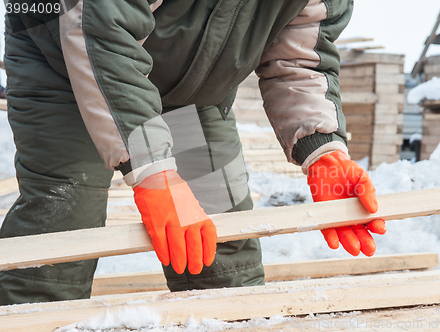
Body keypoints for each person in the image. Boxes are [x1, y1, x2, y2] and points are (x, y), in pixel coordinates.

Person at [0, 0, 385, 305]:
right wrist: (154, 172)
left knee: (222, 249)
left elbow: (300, 59)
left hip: (192, 88)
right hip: (66, 61)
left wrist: (324, 152)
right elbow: (101, 26)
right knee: (64, 220)